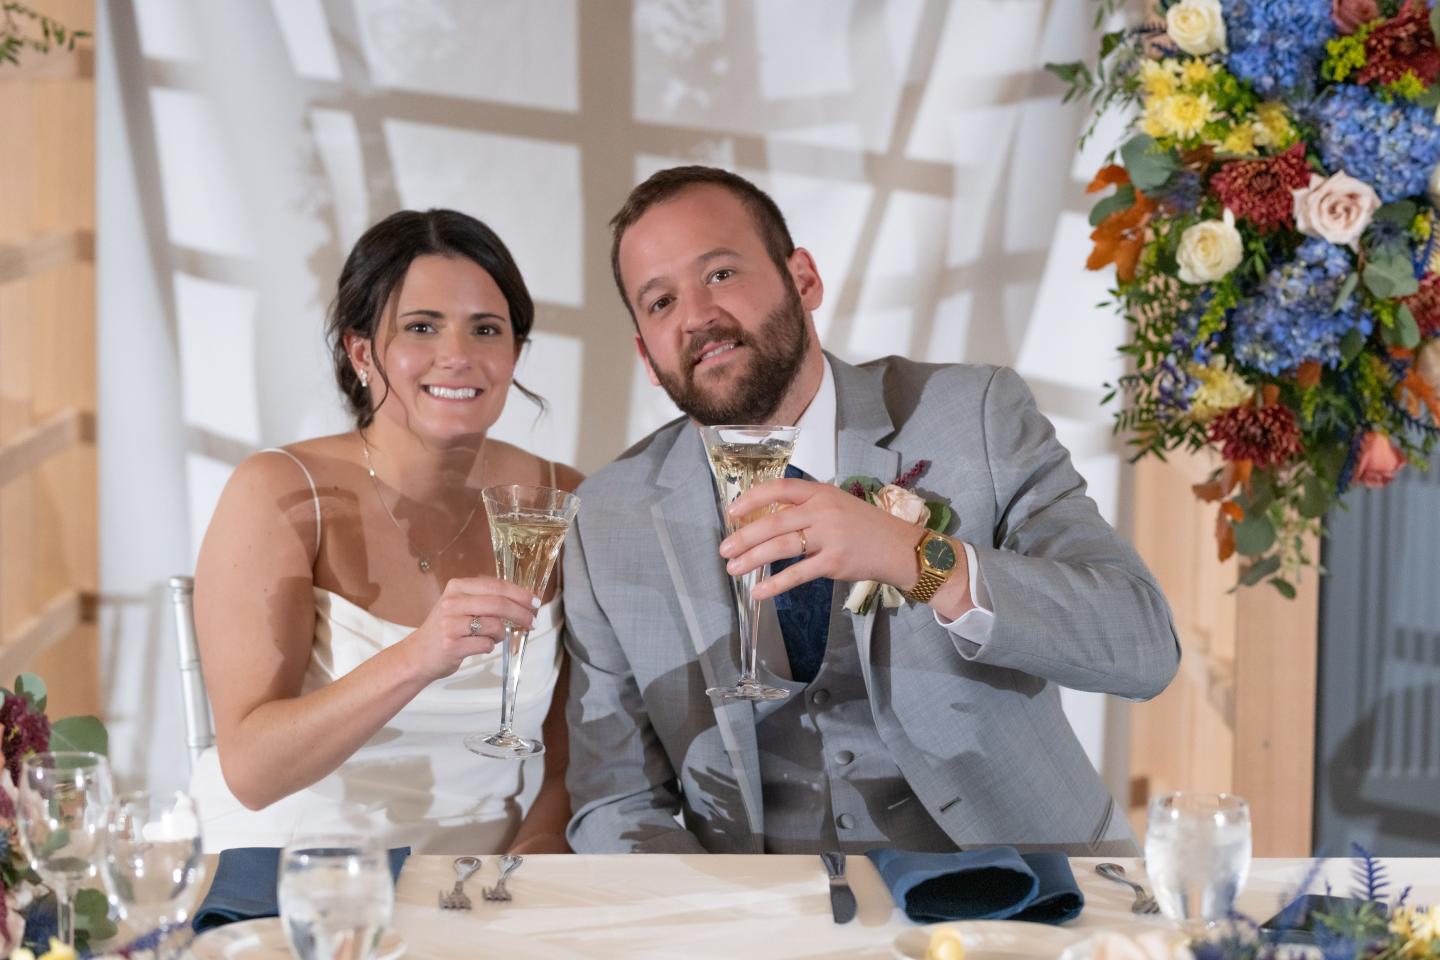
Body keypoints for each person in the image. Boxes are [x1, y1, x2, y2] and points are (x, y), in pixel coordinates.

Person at [562, 166, 1181, 856]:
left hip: (1028, 890)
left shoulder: (971, 416)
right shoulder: (608, 518)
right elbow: (614, 801)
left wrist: (917, 560)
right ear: (647, 356)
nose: (696, 317)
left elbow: (1143, 647)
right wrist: (722, 930)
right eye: (659, 302)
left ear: (803, 279)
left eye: (721, 275)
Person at [190, 209, 579, 854]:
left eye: (486, 329)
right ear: (362, 350)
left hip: (479, 880)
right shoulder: (277, 492)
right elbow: (252, 773)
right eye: (422, 327)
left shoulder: (560, 501)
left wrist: (521, 875)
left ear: (514, 353)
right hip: (286, 868)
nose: (457, 357)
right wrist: (418, 657)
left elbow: (575, 763)